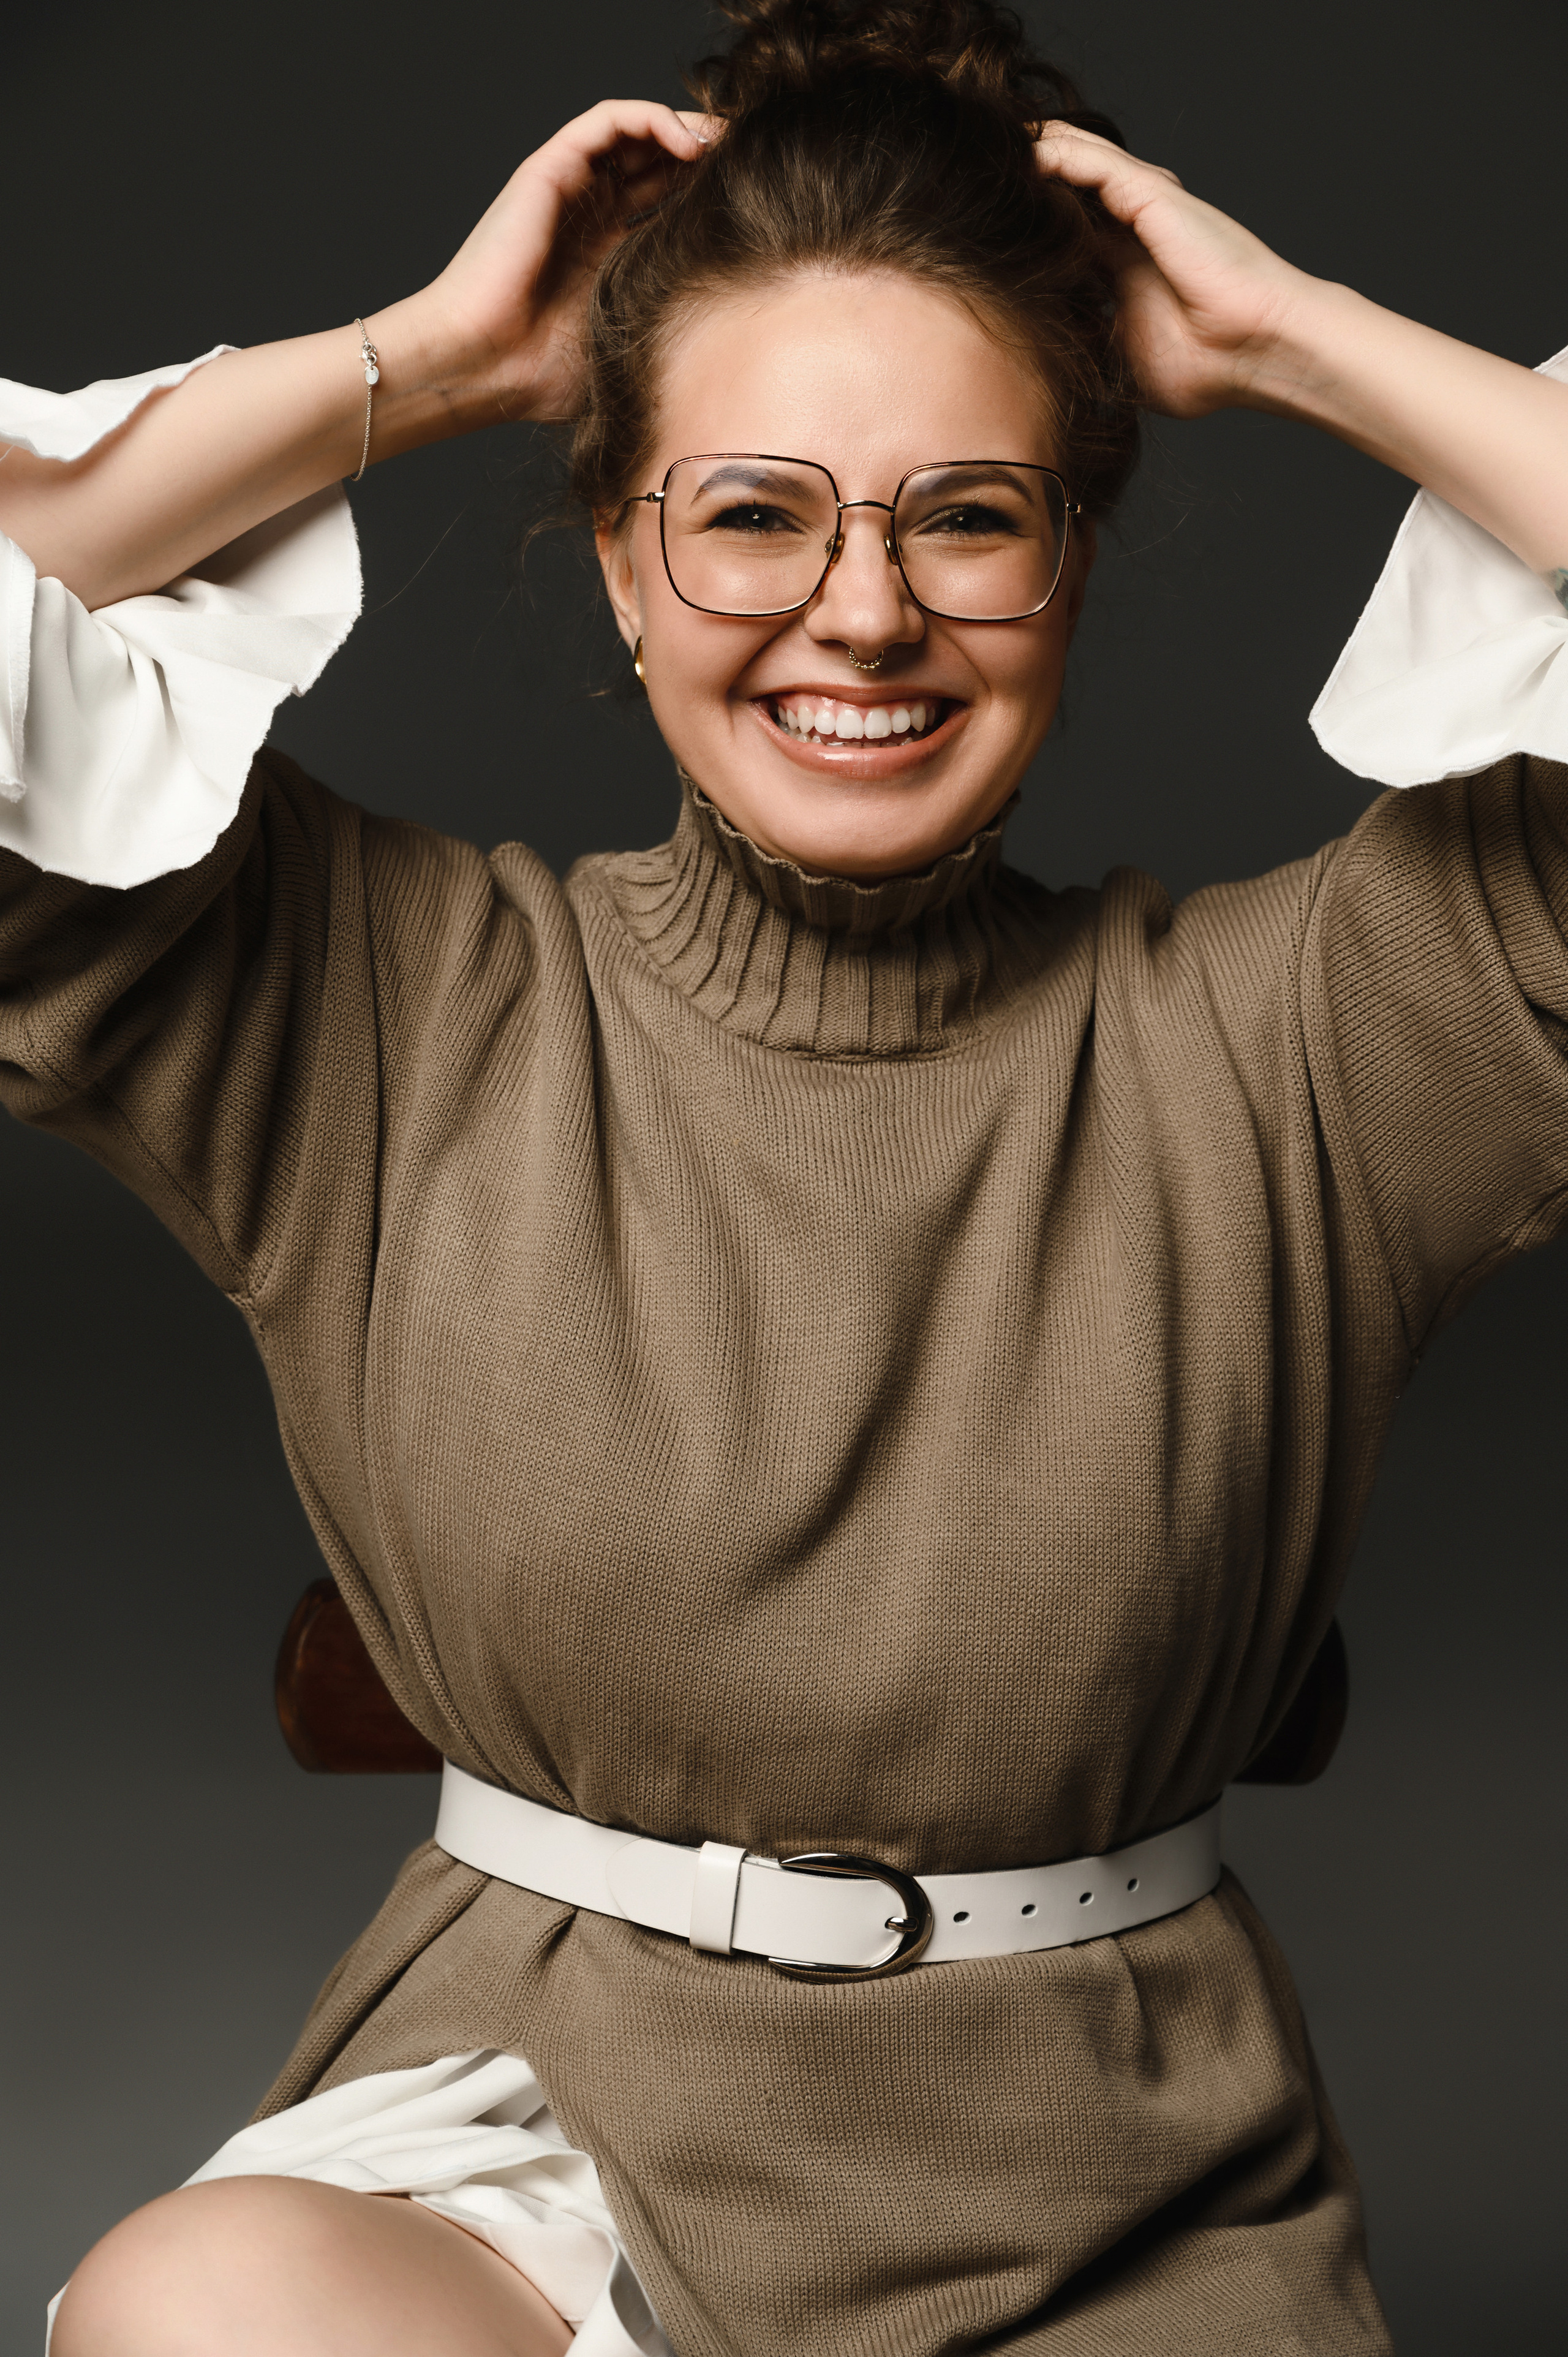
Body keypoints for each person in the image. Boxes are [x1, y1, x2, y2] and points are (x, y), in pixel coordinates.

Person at [5, 1, 1566, 2349]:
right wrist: (418, 364)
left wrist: (1305, 343)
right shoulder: (368, 1001)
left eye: (968, 515)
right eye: (748, 512)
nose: (862, 610)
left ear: (1072, 558)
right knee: (204, 2310)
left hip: (1141, 2203)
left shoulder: (1323, 1038)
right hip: (547, 2134)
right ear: (622, 565)